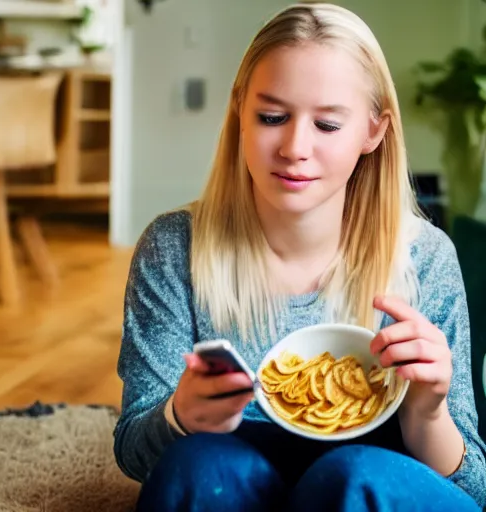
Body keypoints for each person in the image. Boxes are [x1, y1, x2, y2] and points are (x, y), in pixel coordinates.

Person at [113, 3, 486, 511]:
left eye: (328, 126)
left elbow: (471, 490)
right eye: (271, 117)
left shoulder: (425, 258)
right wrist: (180, 416)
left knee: (353, 476)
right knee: (197, 468)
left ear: (373, 132)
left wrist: (427, 414)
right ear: (239, 113)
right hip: (228, 477)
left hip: (366, 482)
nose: (294, 146)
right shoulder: (175, 249)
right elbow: (136, 453)